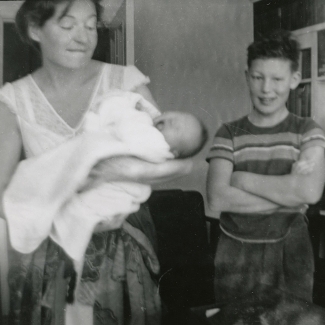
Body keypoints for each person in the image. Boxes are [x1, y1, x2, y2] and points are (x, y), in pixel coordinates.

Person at [0, 0, 193, 324]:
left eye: (91, 25)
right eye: (68, 25)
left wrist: (113, 171)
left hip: (123, 245)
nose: (83, 36)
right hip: (53, 253)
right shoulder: (13, 99)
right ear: (35, 29)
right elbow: (3, 189)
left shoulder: (126, 82)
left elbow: (178, 158)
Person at [206, 29, 325, 307]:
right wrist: (286, 198)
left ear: (294, 80)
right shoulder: (229, 133)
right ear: (247, 76)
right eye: (258, 77)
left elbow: (308, 191)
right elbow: (217, 197)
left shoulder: (308, 131)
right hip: (236, 253)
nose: (266, 89)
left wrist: (242, 178)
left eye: (277, 79)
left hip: (290, 252)